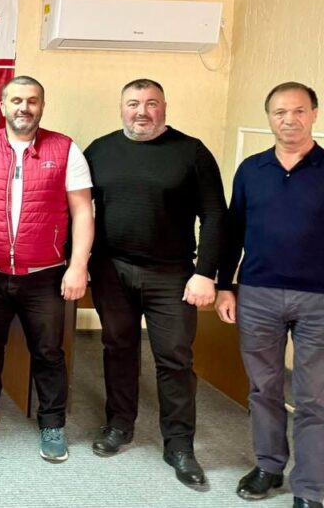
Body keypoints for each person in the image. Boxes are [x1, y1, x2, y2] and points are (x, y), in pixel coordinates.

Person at [84, 78, 226, 487]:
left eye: (151, 103)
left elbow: (215, 215)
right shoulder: (99, 151)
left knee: (174, 359)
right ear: (121, 107)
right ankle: (119, 424)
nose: (142, 111)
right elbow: (77, 208)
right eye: (133, 103)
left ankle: (179, 445)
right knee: (118, 349)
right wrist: (78, 261)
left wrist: (206, 272)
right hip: (112, 270)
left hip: (172, 274)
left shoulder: (192, 152)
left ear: (164, 107)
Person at [0, 75, 93, 463]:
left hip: (45, 273)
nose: (24, 107)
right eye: (16, 100)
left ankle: (52, 423)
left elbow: (83, 211)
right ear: (2, 105)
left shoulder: (65, 149)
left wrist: (78, 265)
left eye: (32, 101)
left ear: (42, 106)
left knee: (48, 350)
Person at [216, 82, 324, 508]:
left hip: (318, 299)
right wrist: (225, 286)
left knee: (314, 396)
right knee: (263, 388)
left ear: (313, 114)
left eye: (298, 111)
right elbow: (233, 231)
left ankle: (311, 487)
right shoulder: (251, 169)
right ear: (269, 118)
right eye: (280, 112)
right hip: (258, 293)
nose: (289, 120)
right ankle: (269, 465)